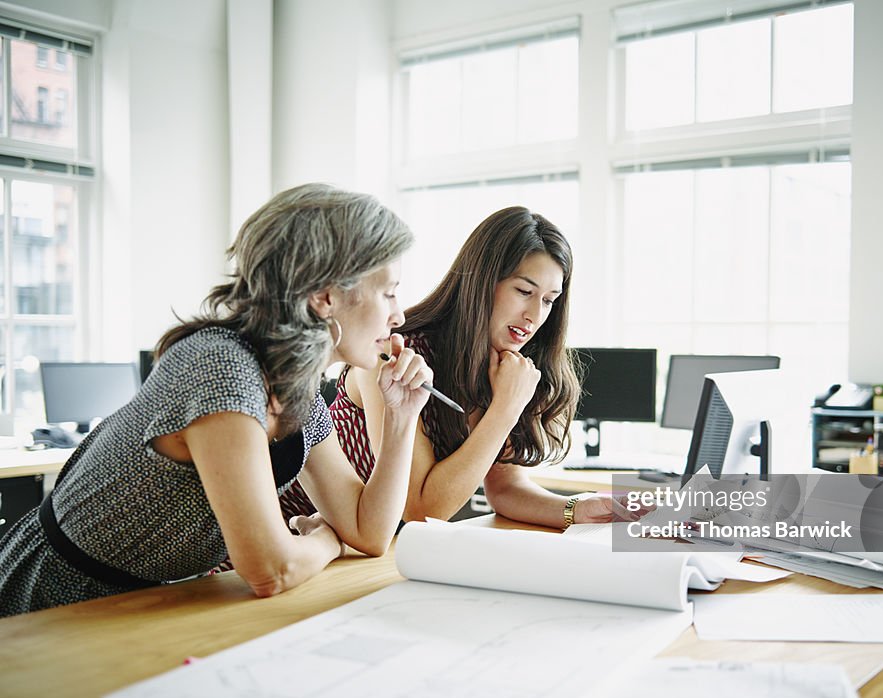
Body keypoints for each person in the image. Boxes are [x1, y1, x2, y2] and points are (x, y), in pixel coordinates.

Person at [0, 183, 432, 617]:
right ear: (325, 297)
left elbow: (368, 531)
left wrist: (400, 418)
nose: (398, 315)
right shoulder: (222, 369)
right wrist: (324, 541)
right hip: (49, 597)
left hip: (148, 602)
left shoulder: (294, 389)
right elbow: (271, 569)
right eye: (389, 292)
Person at [280, 206, 636, 529]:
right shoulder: (396, 355)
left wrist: (577, 508)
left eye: (548, 301)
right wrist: (505, 408)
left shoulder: (506, 368)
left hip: (376, 549)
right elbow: (419, 509)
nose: (534, 316)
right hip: (298, 535)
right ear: (483, 282)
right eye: (523, 291)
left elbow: (506, 488)